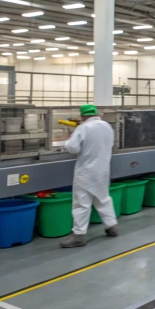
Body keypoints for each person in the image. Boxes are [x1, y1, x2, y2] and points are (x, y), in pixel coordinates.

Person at [59, 104, 118, 248]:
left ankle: (78, 236)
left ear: (82, 115)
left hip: (86, 171)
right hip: (103, 170)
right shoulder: (107, 126)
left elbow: (73, 148)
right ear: (96, 113)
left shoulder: (83, 128)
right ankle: (111, 227)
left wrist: (68, 139)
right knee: (103, 198)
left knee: (81, 203)